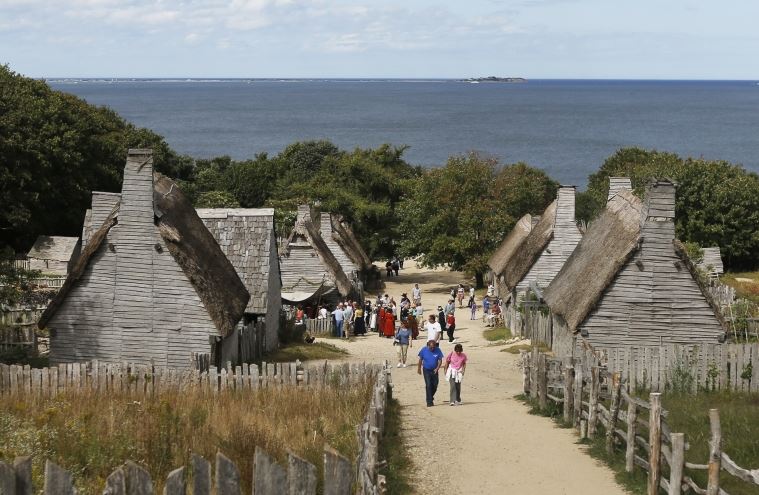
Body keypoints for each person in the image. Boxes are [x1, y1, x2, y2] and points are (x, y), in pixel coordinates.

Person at [417, 340, 444, 406]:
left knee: (435, 385)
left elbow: (440, 360)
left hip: (435, 370)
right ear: (428, 346)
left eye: (433, 347)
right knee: (428, 385)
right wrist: (419, 368)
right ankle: (429, 401)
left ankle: (430, 396)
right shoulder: (424, 350)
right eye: (431, 347)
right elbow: (420, 359)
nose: (432, 348)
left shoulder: (438, 350)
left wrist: (437, 368)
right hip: (426, 370)